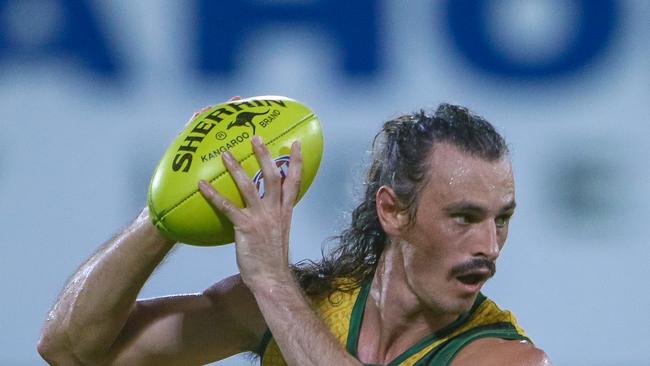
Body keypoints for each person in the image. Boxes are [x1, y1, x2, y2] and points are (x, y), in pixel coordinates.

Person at [37, 102, 552, 365]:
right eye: (464, 217)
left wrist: (270, 279)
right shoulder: (309, 305)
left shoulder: (508, 357)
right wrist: (172, 206)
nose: (488, 246)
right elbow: (71, 349)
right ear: (393, 212)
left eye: (501, 218)